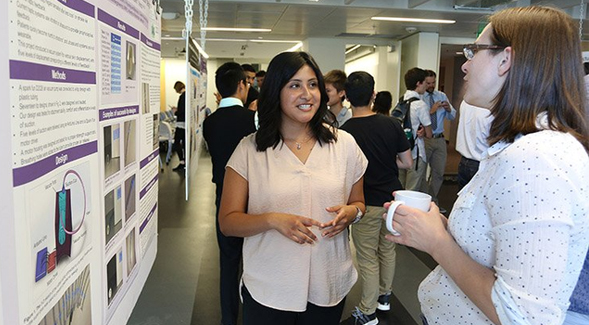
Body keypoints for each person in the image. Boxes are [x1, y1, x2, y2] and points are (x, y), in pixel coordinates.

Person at [384, 6, 589, 324]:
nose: (465, 65)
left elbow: (523, 316)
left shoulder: (536, 159)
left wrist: (437, 243)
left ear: (506, 60)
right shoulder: (528, 148)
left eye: (474, 51)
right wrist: (440, 228)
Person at [219, 51, 368, 325]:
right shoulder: (250, 150)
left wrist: (352, 214)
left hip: (328, 282)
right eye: (295, 85)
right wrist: (272, 220)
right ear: (276, 91)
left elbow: (359, 203)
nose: (307, 94)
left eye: (313, 84)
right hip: (269, 286)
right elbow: (228, 222)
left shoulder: (344, 145)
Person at [339, 72, 412, 325]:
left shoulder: (344, 132)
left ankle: (367, 312)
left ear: (346, 97)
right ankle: (384, 297)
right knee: (388, 249)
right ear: (373, 95)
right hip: (391, 202)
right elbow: (407, 162)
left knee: (368, 257)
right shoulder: (391, 124)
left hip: (364, 203)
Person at [202, 62, 256, 325]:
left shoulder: (209, 123)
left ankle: (228, 319)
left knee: (228, 262)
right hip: (254, 198)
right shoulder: (252, 120)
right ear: (241, 85)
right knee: (257, 258)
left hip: (223, 198)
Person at [422, 70, 456, 209]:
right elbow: (417, 119)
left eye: (433, 83)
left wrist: (448, 109)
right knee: (421, 173)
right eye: (428, 83)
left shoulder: (441, 95)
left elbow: (452, 116)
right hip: (424, 139)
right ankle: (424, 202)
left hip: (440, 139)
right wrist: (431, 110)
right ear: (423, 83)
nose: (431, 85)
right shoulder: (419, 98)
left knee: (438, 172)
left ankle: (432, 201)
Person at [397, 67, 432, 191]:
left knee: (400, 190)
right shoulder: (420, 105)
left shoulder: (401, 102)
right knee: (411, 192)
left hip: (400, 153)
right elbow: (429, 134)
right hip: (416, 154)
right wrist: (423, 130)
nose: (426, 86)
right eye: (425, 83)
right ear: (418, 83)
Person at [455, 100, 493, 189]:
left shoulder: (465, 103)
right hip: (481, 164)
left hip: (464, 162)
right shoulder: (489, 109)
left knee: (463, 200)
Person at [170, 81, 186, 171]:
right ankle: (184, 162)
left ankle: (182, 161)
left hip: (181, 124)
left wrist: (175, 111)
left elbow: (181, 112)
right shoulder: (186, 96)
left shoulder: (182, 97)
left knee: (176, 142)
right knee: (183, 143)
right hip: (185, 123)